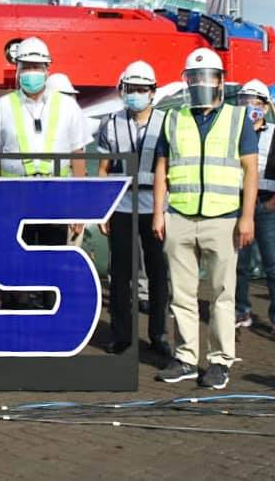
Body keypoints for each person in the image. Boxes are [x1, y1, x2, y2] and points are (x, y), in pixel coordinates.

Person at [152, 47, 258, 390]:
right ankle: (185, 357)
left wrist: (247, 217)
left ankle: (219, 361)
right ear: (186, 80)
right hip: (180, 216)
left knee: (222, 295)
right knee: (181, 294)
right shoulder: (172, 118)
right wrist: (159, 212)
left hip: (223, 219)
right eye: (195, 77)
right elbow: (161, 169)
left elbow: (251, 170)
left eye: (207, 77)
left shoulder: (238, 118)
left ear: (220, 81)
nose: (201, 83)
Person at [0, 36, 91, 309]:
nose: (32, 72)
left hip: (55, 200)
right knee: (15, 267)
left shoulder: (67, 107)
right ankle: (14, 324)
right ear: (17, 69)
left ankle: (50, 323)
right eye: (26, 66)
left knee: (52, 263)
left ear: (47, 69)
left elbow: (78, 157)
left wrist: (80, 208)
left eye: (37, 66)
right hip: (15, 200)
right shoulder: (3, 107)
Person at [96, 60, 171, 358]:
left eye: (142, 89)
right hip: (121, 207)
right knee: (121, 274)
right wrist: (103, 209)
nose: (136, 94)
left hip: (156, 208)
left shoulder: (166, 122)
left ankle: (158, 335)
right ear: (122, 90)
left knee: (157, 273)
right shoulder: (111, 123)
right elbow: (103, 169)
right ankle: (122, 336)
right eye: (131, 89)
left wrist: (164, 210)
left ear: (153, 92)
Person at [234, 79, 275, 336]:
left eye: (255, 103)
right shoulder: (234, 133)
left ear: (266, 107)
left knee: (273, 264)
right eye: (245, 102)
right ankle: (241, 310)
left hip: (265, 207)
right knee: (240, 265)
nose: (250, 107)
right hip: (238, 207)